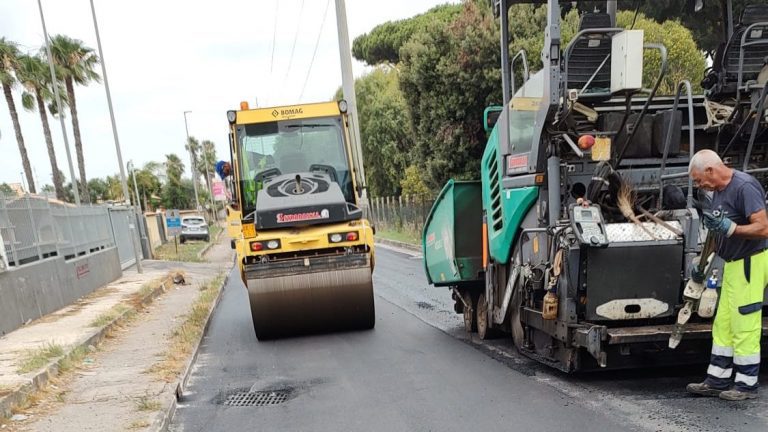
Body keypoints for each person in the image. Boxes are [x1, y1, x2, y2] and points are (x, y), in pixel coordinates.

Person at [686, 149, 768, 401]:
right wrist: (702, 264)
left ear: (710, 170)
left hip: (751, 262)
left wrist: (732, 228)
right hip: (731, 264)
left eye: (699, 179)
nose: (699, 185)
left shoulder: (744, 187)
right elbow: (716, 231)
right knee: (723, 324)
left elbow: (763, 227)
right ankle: (717, 379)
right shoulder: (719, 193)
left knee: (745, 323)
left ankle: (746, 384)